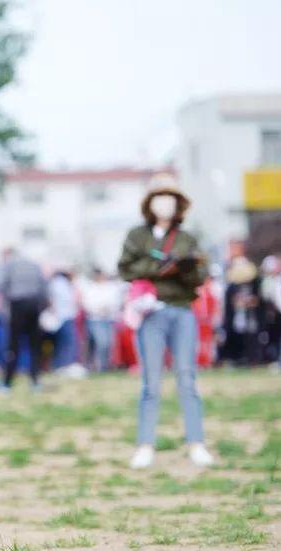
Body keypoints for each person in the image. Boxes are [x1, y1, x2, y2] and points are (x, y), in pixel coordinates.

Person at [117, 174, 211, 469]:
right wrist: (161, 267)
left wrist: (183, 269)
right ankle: (145, 445)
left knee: (187, 378)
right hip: (151, 313)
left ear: (179, 203)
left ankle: (196, 443)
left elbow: (200, 276)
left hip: (183, 310)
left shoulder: (188, 238)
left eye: (170, 197)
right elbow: (125, 268)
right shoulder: (137, 236)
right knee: (151, 382)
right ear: (150, 202)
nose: (165, 202)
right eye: (160, 196)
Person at [0, 247, 46, 391]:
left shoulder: (10, 265)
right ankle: (35, 381)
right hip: (34, 305)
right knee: (34, 345)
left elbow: (3, 286)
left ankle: (7, 382)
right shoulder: (35, 266)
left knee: (13, 345)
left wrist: (7, 304)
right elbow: (43, 289)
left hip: (17, 305)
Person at [79, 269, 121, 372]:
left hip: (109, 319)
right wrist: (98, 309)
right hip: (95, 319)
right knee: (100, 343)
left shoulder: (111, 287)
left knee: (109, 343)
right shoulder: (90, 288)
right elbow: (87, 303)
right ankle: (97, 367)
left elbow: (116, 301)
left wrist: (108, 308)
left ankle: (104, 366)